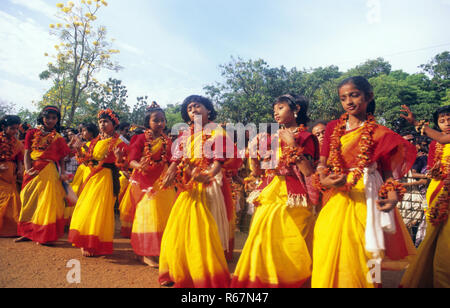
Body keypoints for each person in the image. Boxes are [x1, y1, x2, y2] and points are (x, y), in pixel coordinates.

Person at [311, 76, 417, 288]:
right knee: (326, 240)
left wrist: (393, 195)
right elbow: (322, 164)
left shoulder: (380, 133)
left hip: (368, 193)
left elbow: (388, 172)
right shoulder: (333, 127)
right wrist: (325, 178)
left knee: (369, 248)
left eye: (354, 95)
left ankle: (371, 284)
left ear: (369, 96)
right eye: (343, 98)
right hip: (337, 193)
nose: (348, 101)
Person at [231, 94, 319, 288]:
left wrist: (293, 145)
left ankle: (292, 280)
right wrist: (253, 153)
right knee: (263, 238)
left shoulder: (307, 137)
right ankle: (264, 282)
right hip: (270, 191)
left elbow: (308, 171)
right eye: (274, 109)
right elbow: (258, 172)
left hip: (293, 196)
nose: (275, 112)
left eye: (280, 107)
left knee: (291, 241)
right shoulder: (270, 138)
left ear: (296, 109)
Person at [158, 95, 242, 288]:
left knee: (205, 230)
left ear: (208, 110)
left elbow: (219, 161)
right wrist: (172, 172)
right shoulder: (185, 134)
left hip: (210, 186)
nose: (193, 110)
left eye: (197, 106)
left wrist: (208, 175)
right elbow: (177, 159)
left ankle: (204, 275)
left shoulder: (218, 132)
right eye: (189, 108)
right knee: (181, 226)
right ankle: (181, 272)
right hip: (189, 185)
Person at [400, 105, 450, 288]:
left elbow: (442, 137)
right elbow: (431, 171)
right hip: (439, 193)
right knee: (436, 240)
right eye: (442, 121)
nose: (447, 124)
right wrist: (437, 171)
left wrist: (416, 123)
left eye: (449, 119)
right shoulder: (437, 143)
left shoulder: (440, 138)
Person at [68, 109, 128, 257]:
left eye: (106, 121)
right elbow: (86, 160)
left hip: (106, 179)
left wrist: (119, 158)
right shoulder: (94, 142)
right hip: (91, 178)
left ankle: (94, 243)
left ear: (114, 124)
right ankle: (85, 241)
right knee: (85, 207)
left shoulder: (120, 142)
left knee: (99, 211)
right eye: (100, 122)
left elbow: (124, 165)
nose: (102, 124)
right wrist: (78, 150)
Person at [128, 102, 177, 267]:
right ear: (147, 122)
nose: (160, 123)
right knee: (147, 215)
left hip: (162, 182)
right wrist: (138, 166)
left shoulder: (167, 141)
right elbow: (132, 160)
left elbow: (172, 160)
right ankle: (144, 252)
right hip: (144, 181)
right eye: (156, 120)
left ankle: (159, 250)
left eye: (162, 120)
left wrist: (172, 171)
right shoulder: (140, 138)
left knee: (164, 214)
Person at [15, 106, 71, 244]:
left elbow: (63, 158)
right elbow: (27, 153)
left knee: (47, 203)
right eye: (48, 117)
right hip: (33, 170)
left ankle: (45, 235)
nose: (50, 120)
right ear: (42, 117)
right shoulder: (32, 133)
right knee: (28, 200)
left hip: (49, 171)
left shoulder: (58, 138)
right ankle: (27, 233)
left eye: (54, 118)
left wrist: (63, 172)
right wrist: (27, 169)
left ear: (57, 120)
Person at [0, 115, 24, 237]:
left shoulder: (17, 143)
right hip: (1, 174)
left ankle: (11, 229)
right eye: (12, 128)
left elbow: (19, 159)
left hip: (11, 175)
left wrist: (20, 169)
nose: (15, 131)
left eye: (16, 129)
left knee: (13, 199)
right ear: (3, 127)